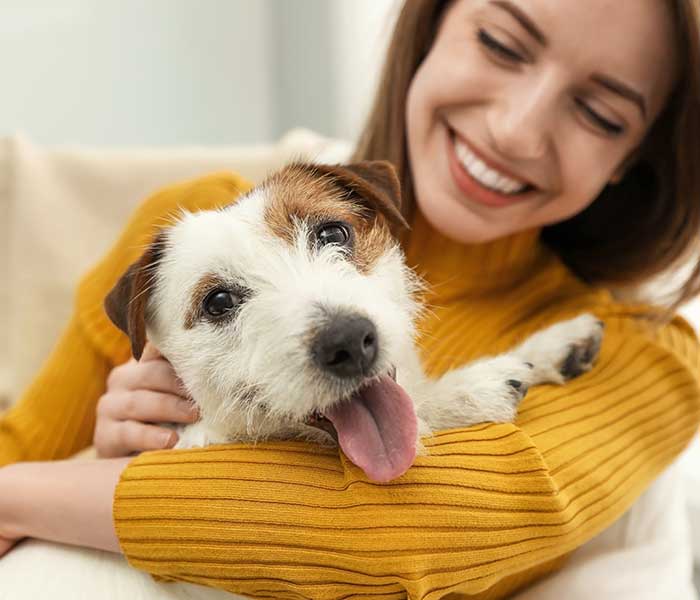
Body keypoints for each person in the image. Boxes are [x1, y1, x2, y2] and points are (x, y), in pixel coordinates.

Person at [1, 0, 699, 598]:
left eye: (601, 112)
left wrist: (58, 496)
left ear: (637, 156)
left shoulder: (641, 352)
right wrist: (108, 452)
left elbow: (400, 534)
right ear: (429, 28)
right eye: (501, 43)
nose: (515, 130)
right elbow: (18, 447)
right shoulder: (188, 230)